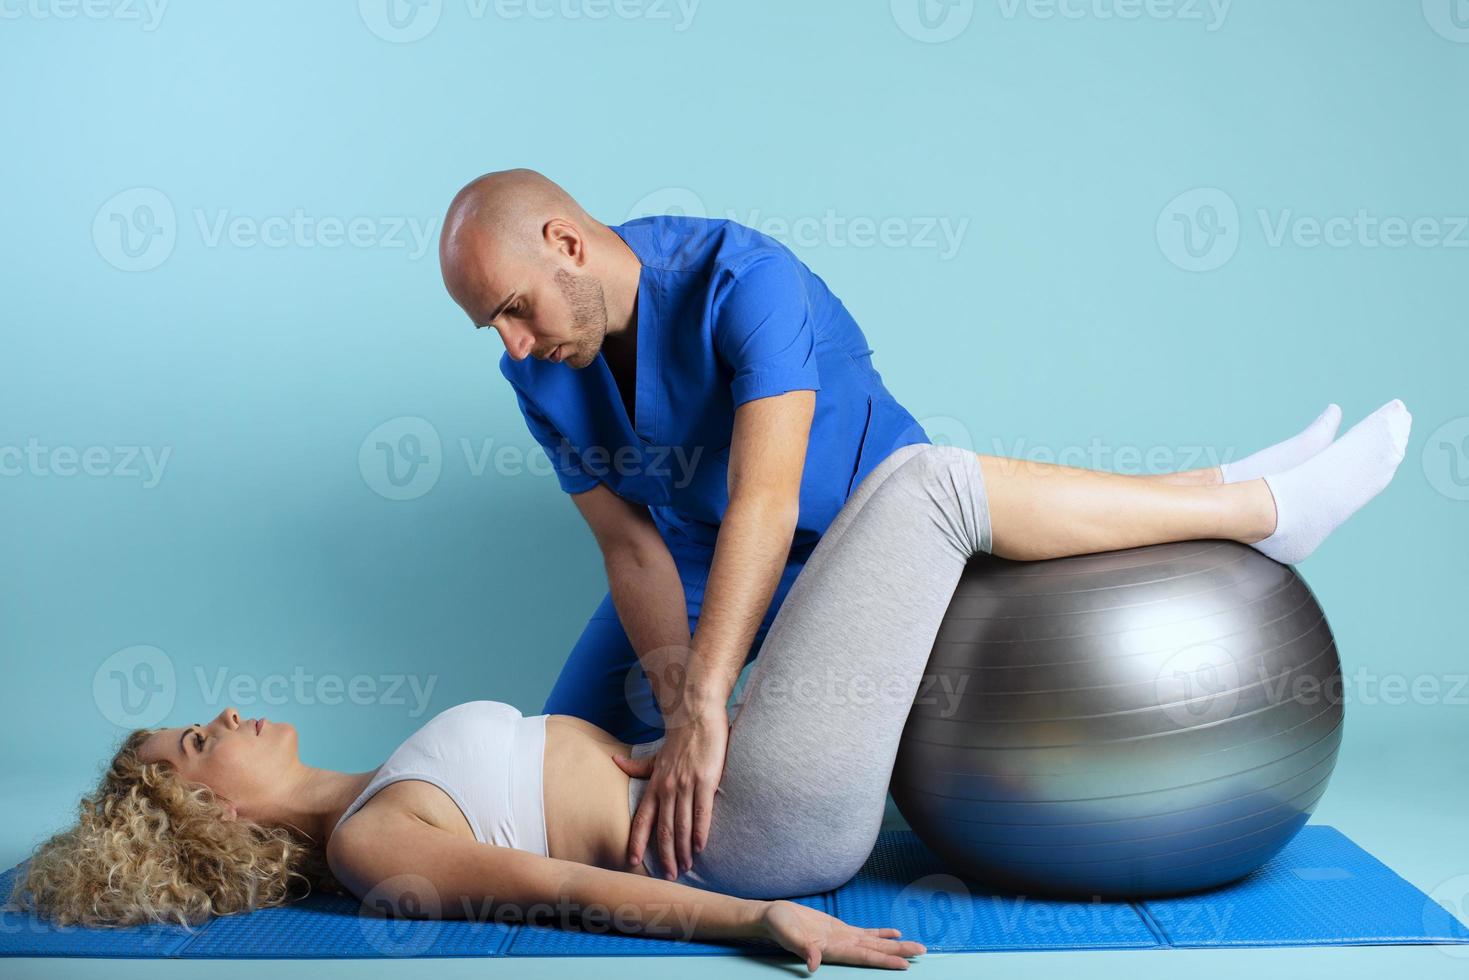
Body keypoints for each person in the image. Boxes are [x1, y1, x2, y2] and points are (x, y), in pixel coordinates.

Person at [10, 398, 1410, 972]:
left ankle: (1244, 499)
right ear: (220, 821)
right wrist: (755, 920)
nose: (225, 715)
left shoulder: (383, 788)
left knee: (902, 497)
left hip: (738, 777)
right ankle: (1249, 512)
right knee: (923, 489)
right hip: (759, 832)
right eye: (197, 743)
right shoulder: (374, 847)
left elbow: (542, 804)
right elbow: (574, 891)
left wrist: (623, 749)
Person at [437, 169, 931, 879]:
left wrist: (705, 706)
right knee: (549, 764)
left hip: (863, 538)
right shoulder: (536, 376)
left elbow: (763, 498)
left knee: (798, 762)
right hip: (696, 550)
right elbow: (631, 548)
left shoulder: (745, 279)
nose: (513, 343)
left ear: (567, 243)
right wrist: (678, 712)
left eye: (517, 308)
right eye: (495, 325)